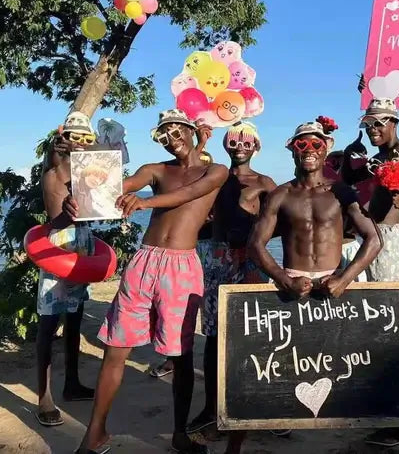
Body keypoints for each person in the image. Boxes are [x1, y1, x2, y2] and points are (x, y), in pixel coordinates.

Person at [222, 119, 383, 454]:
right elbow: (256, 244)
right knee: (266, 366)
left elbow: (373, 239)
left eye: (315, 144)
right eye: (301, 145)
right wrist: (284, 279)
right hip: (290, 287)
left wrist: (344, 278)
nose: (309, 150)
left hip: (334, 289)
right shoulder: (281, 194)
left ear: (325, 148)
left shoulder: (341, 192)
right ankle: (235, 445)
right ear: (291, 150)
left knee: (361, 361)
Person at [71, 109, 226, 454]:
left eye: (176, 131)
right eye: (164, 135)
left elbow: (189, 194)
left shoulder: (215, 171)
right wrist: (81, 193)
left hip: (182, 269)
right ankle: (94, 434)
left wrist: (145, 202)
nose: (171, 139)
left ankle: (179, 433)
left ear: (189, 130)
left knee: (181, 355)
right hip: (144, 261)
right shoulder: (156, 170)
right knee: (116, 347)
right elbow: (115, 187)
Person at [186, 121, 283, 438]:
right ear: (226, 144)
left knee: (254, 334)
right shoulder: (214, 177)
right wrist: (200, 142)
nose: (240, 144)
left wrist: (257, 232)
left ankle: (258, 404)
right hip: (217, 258)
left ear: (256, 146)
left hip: (252, 260)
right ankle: (211, 408)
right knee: (214, 335)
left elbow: (282, 220)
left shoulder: (266, 182)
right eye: (233, 139)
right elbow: (189, 189)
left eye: (247, 140)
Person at [357, 79, 399, 450]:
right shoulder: (376, 155)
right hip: (365, 242)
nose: (373, 130)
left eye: (379, 124)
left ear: (394, 123)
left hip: (388, 244)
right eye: (369, 124)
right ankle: (387, 414)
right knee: (373, 324)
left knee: (392, 325)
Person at [34, 111, 98, 427]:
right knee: (48, 325)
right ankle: (44, 399)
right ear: (64, 139)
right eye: (75, 137)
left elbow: (95, 212)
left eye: (87, 138)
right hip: (59, 248)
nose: (81, 144)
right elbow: (57, 220)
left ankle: (71, 383)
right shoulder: (55, 173)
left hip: (82, 247)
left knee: (74, 320)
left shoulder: (89, 174)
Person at [149, 151, 215, 380]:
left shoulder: (214, 179)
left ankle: (195, 366)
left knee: (201, 318)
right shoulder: (184, 177)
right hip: (194, 251)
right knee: (184, 315)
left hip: (211, 251)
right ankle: (172, 360)